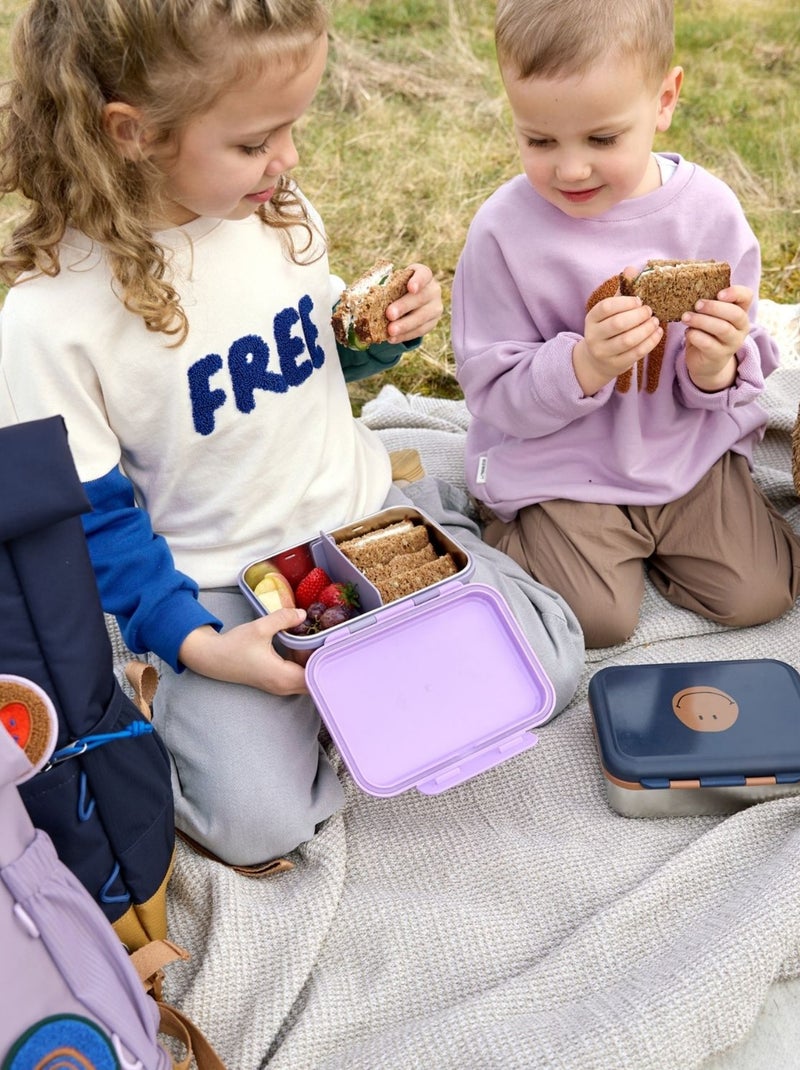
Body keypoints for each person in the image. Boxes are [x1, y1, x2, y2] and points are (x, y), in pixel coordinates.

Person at [0, 0, 584, 868]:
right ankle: (184, 690)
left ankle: (421, 561)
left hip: (357, 521)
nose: (291, 159)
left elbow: (303, 368)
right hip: (220, 585)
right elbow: (96, 523)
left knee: (554, 669)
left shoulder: (271, 209)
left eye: (294, 128)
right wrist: (201, 647)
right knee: (254, 821)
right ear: (132, 133)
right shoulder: (51, 321)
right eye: (255, 142)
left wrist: (372, 336)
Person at [451, 0, 800, 650]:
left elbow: (741, 364)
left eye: (602, 139)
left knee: (762, 592)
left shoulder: (709, 214)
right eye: (539, 140)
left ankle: (657, 545)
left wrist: (713, 367)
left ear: (664, 100)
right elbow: (491, 387)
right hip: (563, 463)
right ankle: (508, 530)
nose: (571, 168)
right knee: (596, 618)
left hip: (685, 453)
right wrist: (581, 366)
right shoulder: (504, 232)